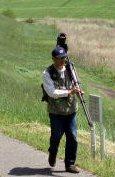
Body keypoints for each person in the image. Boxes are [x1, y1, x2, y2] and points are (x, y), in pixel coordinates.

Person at [42, 46, 81, 174]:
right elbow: (52, 92)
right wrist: (69, 92)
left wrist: (78, 91)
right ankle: (52, 153)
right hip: (56, 111)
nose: (62, 60)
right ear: (53, 58)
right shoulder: (47, 73)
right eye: (59, 58)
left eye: (64, 57)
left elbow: (76, 83)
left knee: (73, 137)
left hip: (71, 110)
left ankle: (70, 164)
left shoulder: (71, 69)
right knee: (56, 137)